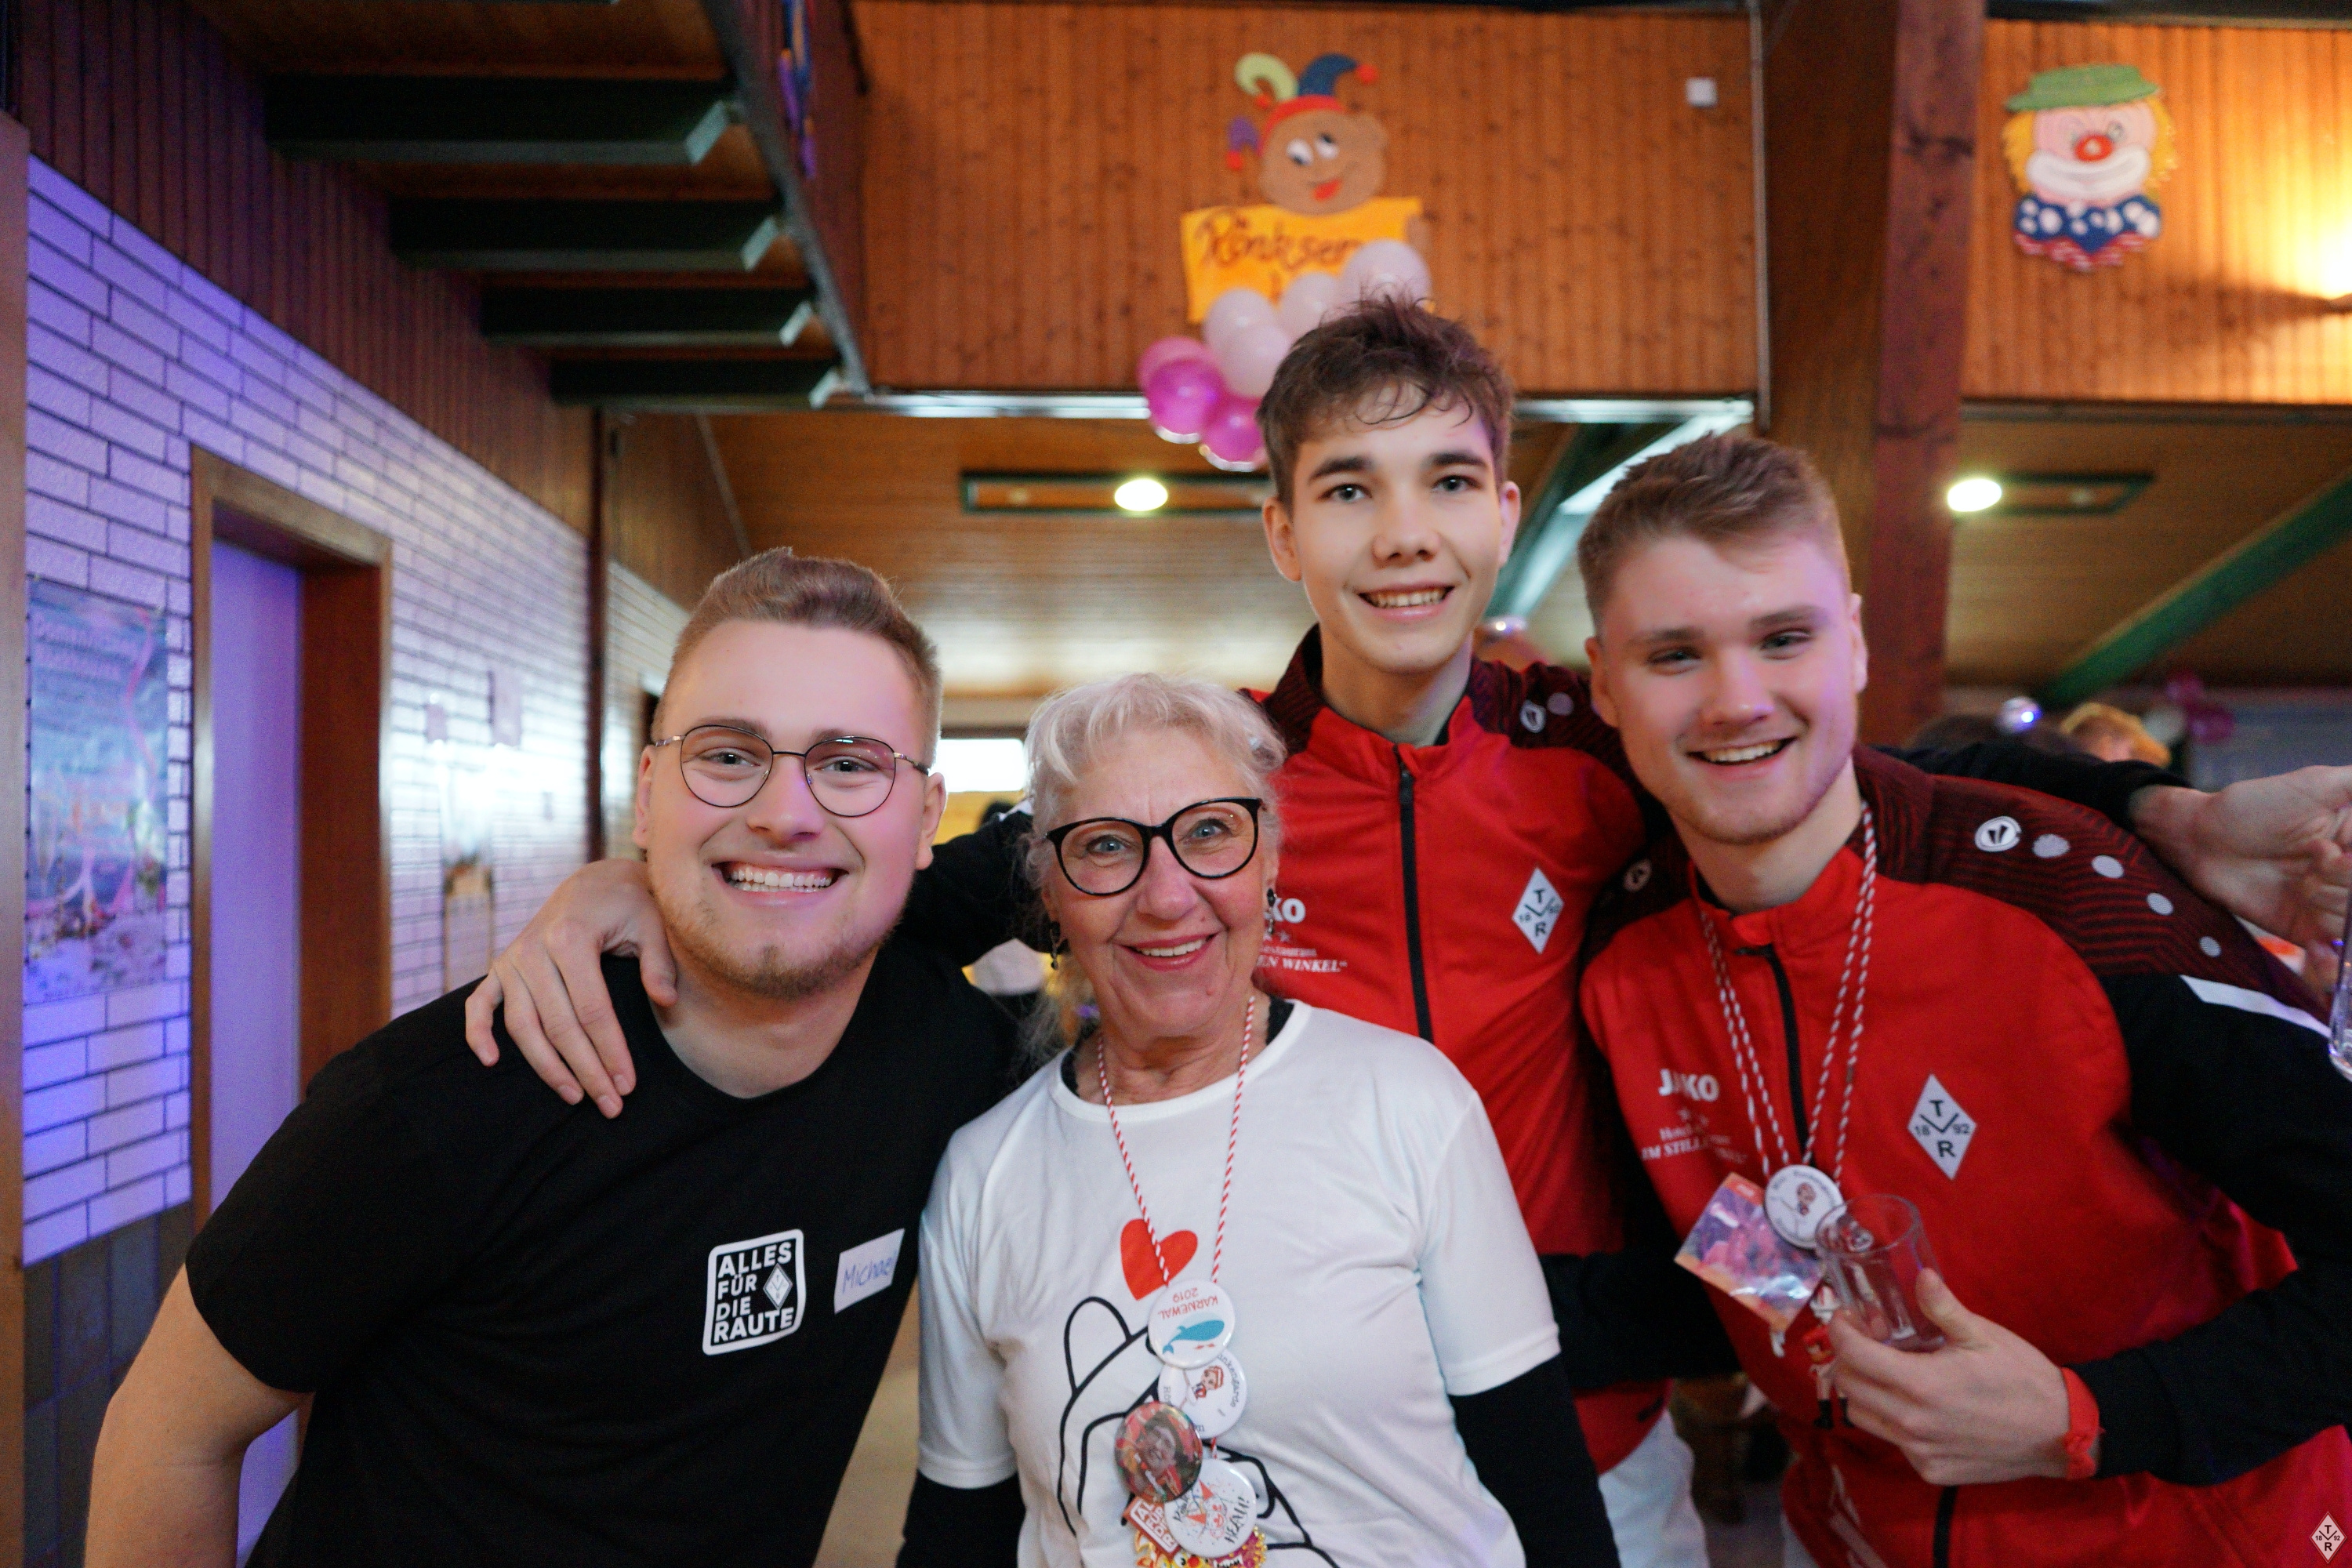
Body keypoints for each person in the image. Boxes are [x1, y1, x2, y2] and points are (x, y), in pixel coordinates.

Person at [465, 300, 2352, 1568]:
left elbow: (1862, 767)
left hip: (1597, 1448)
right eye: (1349, 491)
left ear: (1503, 512)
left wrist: (2157, 812)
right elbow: (931, 886)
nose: (1403, 536)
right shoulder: (1207, 798)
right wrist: (649, 885)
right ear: (1279, 531)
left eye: (1447, 482)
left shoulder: (1601, 748)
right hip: (1270, 1452)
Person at [86, 554, 1013, 1566]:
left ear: (927, 815)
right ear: (649, 792)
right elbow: (168, 1434)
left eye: (850, 764)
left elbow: (1101, 854)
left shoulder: (947, 1052)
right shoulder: (443, 1099)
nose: (785, 811)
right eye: (728, 753)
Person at [1571, 433, 2352, 1566]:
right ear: (1603, 680)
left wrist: (2087, 1417)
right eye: (1675, 654)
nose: (1737, 701)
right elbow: (1725, 1259)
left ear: (1853, 642)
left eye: (1783, 638)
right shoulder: (1624, 956)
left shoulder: (2081, 907)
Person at [901, 673, 1617, 1567]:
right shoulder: (983, 1173)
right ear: (1050, 891)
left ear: (1269, 859)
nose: (1167, 897)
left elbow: (1545, 1490)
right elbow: (958, 1532)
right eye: (1107, 845)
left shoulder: (1408, 1101)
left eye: (1209, 831)